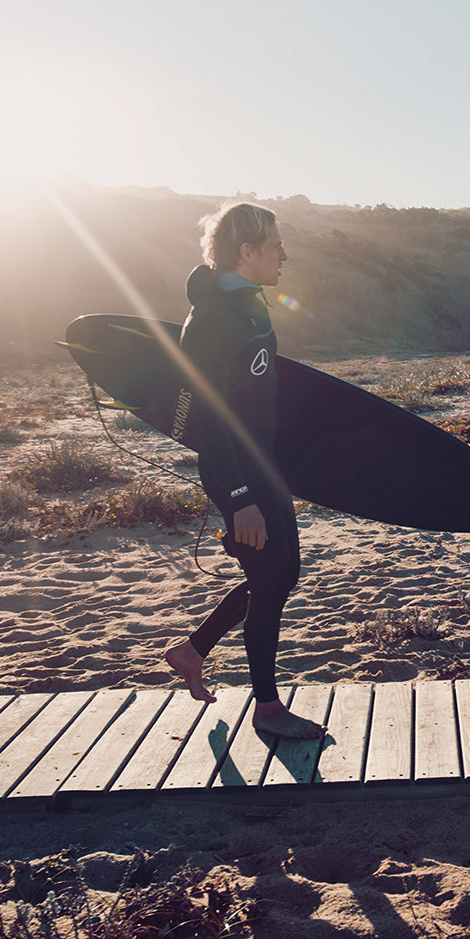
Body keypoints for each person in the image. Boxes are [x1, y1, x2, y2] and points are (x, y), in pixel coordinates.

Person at [164, 201, 327, 741]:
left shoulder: (249, 308)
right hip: (236, 472)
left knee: (278, 574)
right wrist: (239, 499)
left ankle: (192, 651)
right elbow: (209, 421)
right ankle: (267, 708)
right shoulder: (210, 320)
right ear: (246, 251)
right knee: (271, 576)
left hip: (263, 465)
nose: (284, 253)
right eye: (275, 244)